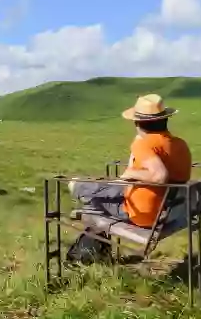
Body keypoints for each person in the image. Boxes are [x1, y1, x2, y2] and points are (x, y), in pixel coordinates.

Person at [69, 94, 192, 228]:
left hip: (143, 214)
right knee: (106, 188)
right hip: (171, 213)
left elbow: (160, 176)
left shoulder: (144, 144)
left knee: (85, 192)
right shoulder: (180, 144)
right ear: (165, 120)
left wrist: (130, 172)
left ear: (137, 123)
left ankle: (87, 213)